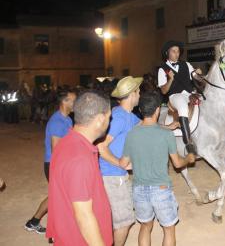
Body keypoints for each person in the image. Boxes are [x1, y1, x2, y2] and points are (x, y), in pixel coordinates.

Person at [119, 92, 195, 246]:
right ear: (158, 110)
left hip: (139, 189)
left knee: (145, 226)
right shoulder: (166, 134)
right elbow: (177, 164)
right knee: (168, 229)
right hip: (161, 188)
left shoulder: (132, 134)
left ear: (140, 110)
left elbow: (124, 163)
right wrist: (189, 158)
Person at [46, 91, 113, 245]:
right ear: (100, 119)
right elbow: (84, 216)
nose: (109, 122)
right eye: (109, 117)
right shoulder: (80, 158)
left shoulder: (67, 142)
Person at [97, 76, 143, 246]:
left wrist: (172, 126)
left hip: (117, 175)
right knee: (124, 222)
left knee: (115, 218)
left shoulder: (129, 116)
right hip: (112, 175)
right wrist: (120, 163)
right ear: (132, 94)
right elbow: (101, 146)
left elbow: (147, 125)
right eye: (138, 91)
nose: (140, 95)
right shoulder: (119, 117)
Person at [25, 88, 76, 235]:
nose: (76, 103)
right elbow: (57, 150)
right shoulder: (57, 122)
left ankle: (33, 222)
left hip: (61, 163)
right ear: (64, 102)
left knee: (57, 195)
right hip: (55, 163)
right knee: (60, 196)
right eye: (73, 100)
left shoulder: (67, 118)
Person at [157, 40, 202, 155]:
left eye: (178, 51)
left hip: (189, 93)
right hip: (174, 95)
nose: (177, 54)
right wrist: (170, 79)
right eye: (174, 51)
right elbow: (163, 90)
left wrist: (198, 73)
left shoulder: (186, 64)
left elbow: (196, 77)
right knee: (182, 107)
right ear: (167, 53)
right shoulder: (162, 69)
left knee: (204, 100)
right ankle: (188, 143)